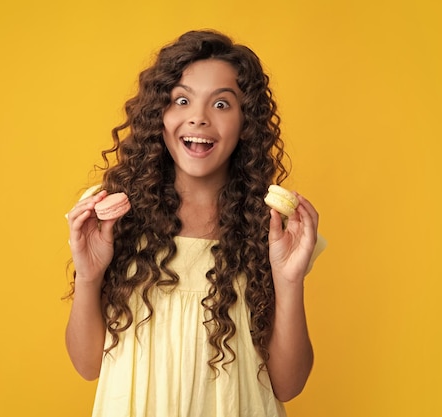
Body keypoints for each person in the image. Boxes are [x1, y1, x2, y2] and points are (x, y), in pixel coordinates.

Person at [65, 30, 322, 417]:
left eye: (221, 104)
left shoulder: (275, 229)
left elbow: (289, 383)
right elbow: (88, 366)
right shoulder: (110, 215)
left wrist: (289, 282)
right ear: (159, 116)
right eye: (181, 100)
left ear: (245, 121)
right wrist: (88, 276)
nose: (198, 117)